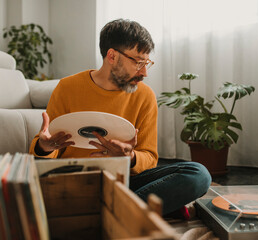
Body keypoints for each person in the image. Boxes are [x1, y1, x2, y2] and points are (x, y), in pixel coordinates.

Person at [29, 19, 211, 217]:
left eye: (147, 63)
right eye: (139, 62)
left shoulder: (145, 96)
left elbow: (149, 159)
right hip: (74, 179)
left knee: (198, 175)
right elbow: (44, 151)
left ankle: (109, 215)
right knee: (38, 177)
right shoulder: (67, 88)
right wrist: (45, 147)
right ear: (112, 56)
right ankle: (128, 214)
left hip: (122, 181)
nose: (145, 72)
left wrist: (130, 157)